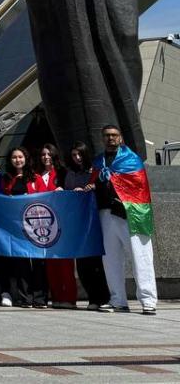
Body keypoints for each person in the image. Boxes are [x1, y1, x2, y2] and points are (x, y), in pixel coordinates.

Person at [93, 125, 157, 315]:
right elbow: (94, 183)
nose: (110, 138)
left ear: (120, 138)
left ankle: (148, 300)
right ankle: (118, 300)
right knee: (110, 260)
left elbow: (139, 187)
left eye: (114, 135)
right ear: (102, 138)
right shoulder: (98, 161)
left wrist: (113, 179)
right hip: (105, 214)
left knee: (141, 257)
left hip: (130, 215)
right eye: (107, 135)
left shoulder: (131, 160)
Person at [0, 146, 43, 308]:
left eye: (20, 157)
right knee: (21, 262)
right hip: (16, 226)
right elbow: (0, 198)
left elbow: (44, 198)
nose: (18, 160)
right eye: (14, 157)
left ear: (26, 158)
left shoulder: (36, 177)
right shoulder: (6, 179)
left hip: (35, 225)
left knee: (38, 262)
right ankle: (25, 297)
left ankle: (40, 298)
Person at [63, 141, 110, 310]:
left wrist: (94, 187)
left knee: (96, 263)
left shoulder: (94, 171)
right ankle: (92, 297)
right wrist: (71, 193)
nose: (77, 158)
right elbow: (67, 195)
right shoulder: (70, 174)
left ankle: (102, 297)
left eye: (79, 154)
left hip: (93, 221)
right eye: (74, 155)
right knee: (82, 264)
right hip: (77, 222)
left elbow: (105, 189)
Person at [27, 142, 75, 307]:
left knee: (65, 261)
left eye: (49, 154)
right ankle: (56, 297)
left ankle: (68, 297)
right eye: (43, 154)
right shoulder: (36, 175)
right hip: (44, 226)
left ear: (55, 155)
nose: (46, 157)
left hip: (61, 223)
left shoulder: (63, 173)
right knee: (50, 263)